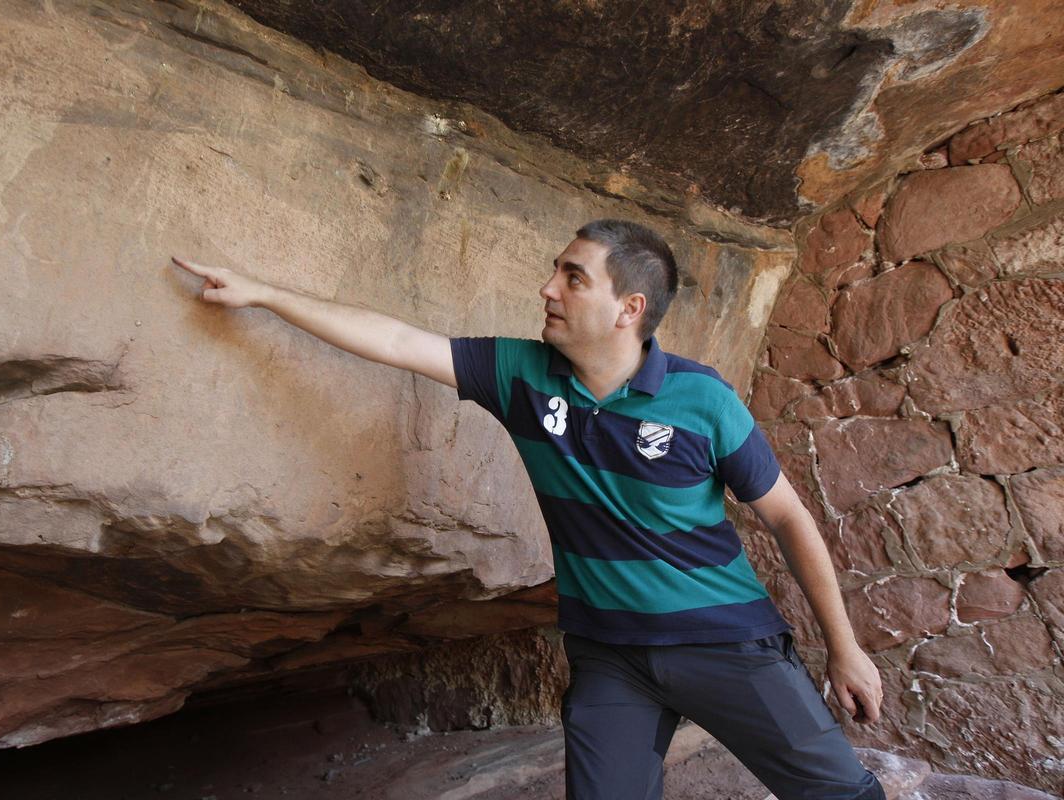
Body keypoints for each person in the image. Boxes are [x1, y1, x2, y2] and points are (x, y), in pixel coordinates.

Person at [171, 218, 886, 799]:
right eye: (555, 270)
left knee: (839, 795)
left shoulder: (703, 401)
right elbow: (393, 340)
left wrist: (844, 647)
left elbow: (788, 517)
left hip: (726, 644)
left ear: (628, 309)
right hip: (610, 659)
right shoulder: (522, 376)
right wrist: (263, 293)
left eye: (573, 278)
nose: (548, 288)